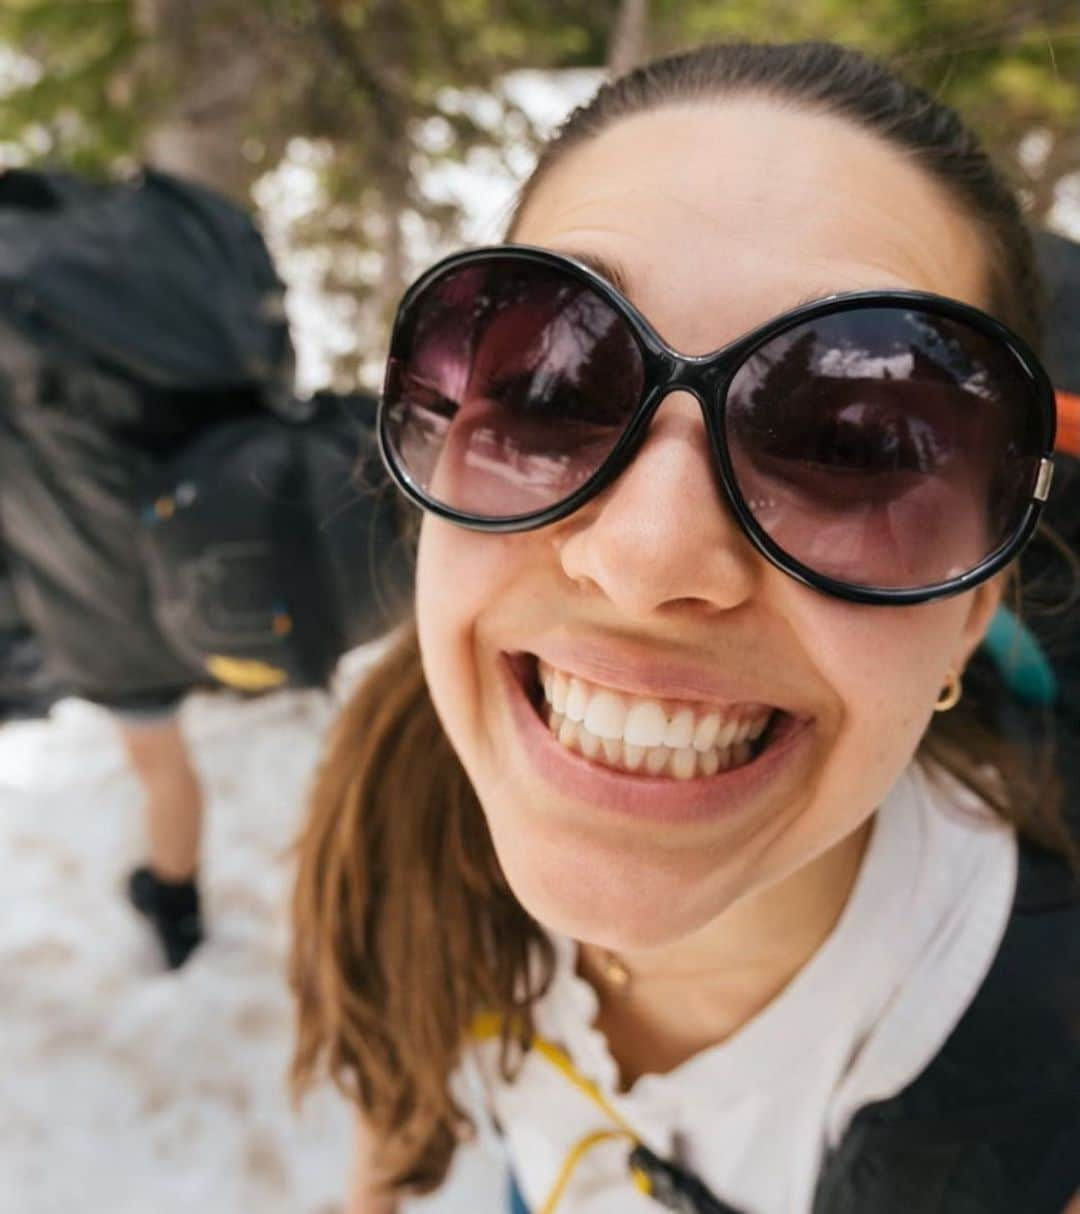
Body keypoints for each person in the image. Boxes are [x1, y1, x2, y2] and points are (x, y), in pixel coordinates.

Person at [289, 40, 1080, 1214]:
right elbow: (387, 1098)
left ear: (972, 607)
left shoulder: (1032, 1069)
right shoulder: (398, 788)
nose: (644, 554)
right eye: (553, 392)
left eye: (851, 444)